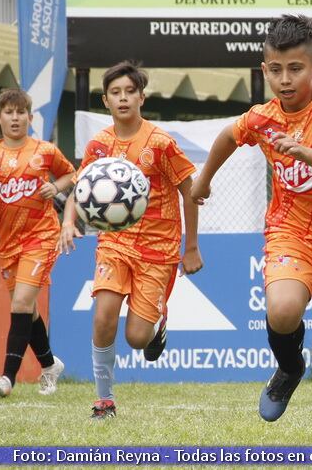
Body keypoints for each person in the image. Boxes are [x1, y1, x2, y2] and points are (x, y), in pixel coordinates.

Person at [190, 15, 312, 447]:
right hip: (291, 231)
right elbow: (228, 136)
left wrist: (304, 151)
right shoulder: (262, 117)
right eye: (276, 70)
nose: (285, 79)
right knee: (282, 310)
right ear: (264, 71)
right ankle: (290, 368)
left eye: (295, 69)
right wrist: (204, 180)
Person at [58, 61, 203, 419]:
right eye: (115, 93)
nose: (123, 98)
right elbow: (81, 188)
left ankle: (158, 323)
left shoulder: (161, 144)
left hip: (158, 251)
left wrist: (192, 248)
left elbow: (190, 191)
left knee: (137, 338)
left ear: (142, 97)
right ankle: (104, 401)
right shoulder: (98, 145)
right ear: (105, 101)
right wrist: (67, 221)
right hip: (114, 244)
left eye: (129, 92)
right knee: (103, 315)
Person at [0, 88, 73, 398]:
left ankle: (7, 377)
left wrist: (56, 186)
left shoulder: (45, 151)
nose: (15, 117)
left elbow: (71, 175)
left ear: (30, 117)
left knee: (21, 303)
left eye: (20, 112)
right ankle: (50, 365)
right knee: (28, 310)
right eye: (8, 112)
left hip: (42, 236)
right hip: (8, 242)